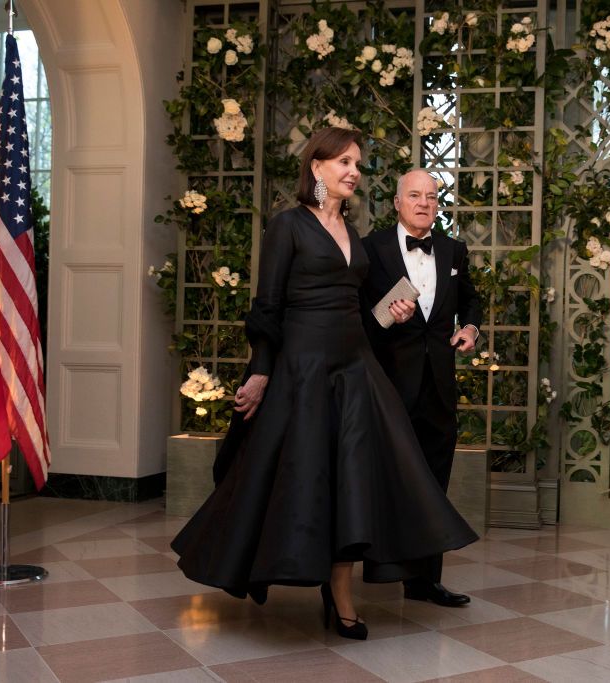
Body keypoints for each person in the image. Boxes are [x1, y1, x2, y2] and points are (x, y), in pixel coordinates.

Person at [171, 128, 478, 641]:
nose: (353, 171)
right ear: (316, 168)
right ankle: (293, 573)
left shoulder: (353, 235)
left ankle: (342, 595)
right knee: (299, 480)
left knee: (354, 484)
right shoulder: (288, 226)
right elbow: (267, 307)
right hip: (304, 370)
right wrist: (262, 371)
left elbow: (361, 313)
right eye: (343, 161)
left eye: (357, 163)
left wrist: (390, 313)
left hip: (355, 371)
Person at [360, 169, 482, 608]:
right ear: (397, 202)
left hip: (438, 389)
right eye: (414, 195)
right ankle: (364, 572)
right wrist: (386, 314)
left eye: (431, 196)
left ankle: (424, 581)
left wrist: (469, 327)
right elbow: (356, 317)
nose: (424, 203)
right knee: (378, 479)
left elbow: (470, 299)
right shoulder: (370, 248)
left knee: (433, 483)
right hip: (386, 386)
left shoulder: (453, 249)